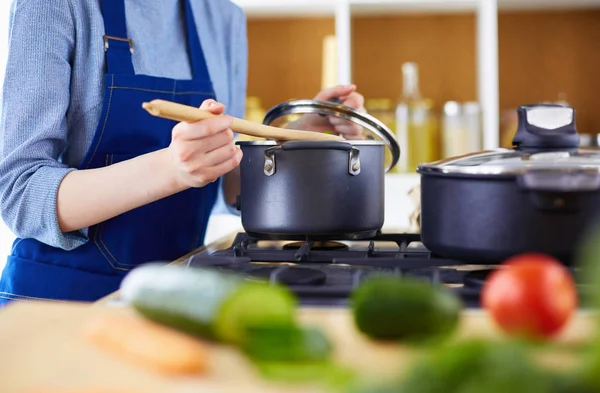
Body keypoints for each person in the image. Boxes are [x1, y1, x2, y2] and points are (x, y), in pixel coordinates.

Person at [0, 0, 366, 305]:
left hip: (174, 297)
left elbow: (227, 183)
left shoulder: (223, 17)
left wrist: (297, 137)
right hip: (57, 303)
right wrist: (169, 169)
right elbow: (19, 190)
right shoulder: (55, 4)